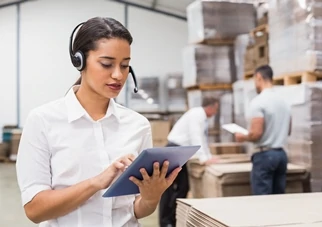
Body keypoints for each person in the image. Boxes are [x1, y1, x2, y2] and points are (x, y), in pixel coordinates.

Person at [15, 17, 181, 227]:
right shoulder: (43, 121)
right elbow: (35, 210)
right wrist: (96, 182)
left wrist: (151, 196)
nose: (118, 75)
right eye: (106, 64)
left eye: (125, 65)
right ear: (79, 61)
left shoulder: (137, 125)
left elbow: (136, 210)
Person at [158, 96, 220, 227]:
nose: (215, 113)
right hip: (174, 150)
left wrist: (208, 157)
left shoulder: (202, 118)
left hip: (181, 152)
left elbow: (203, 140)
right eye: (216, 109)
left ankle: (173, 219)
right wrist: (204, 159)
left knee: (183, 186)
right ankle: (166, 222)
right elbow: (195, 136)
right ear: (211, 107)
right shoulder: (196, 114)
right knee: (168, 187)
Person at [235, 65, 291, 195]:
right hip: (281, 155)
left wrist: (242, 137)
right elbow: (288, 130)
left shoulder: (258, 102)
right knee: (279, 198)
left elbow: (257, 133)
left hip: (265, 156)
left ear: (259, 77)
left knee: (262, 201)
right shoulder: (284, 102)